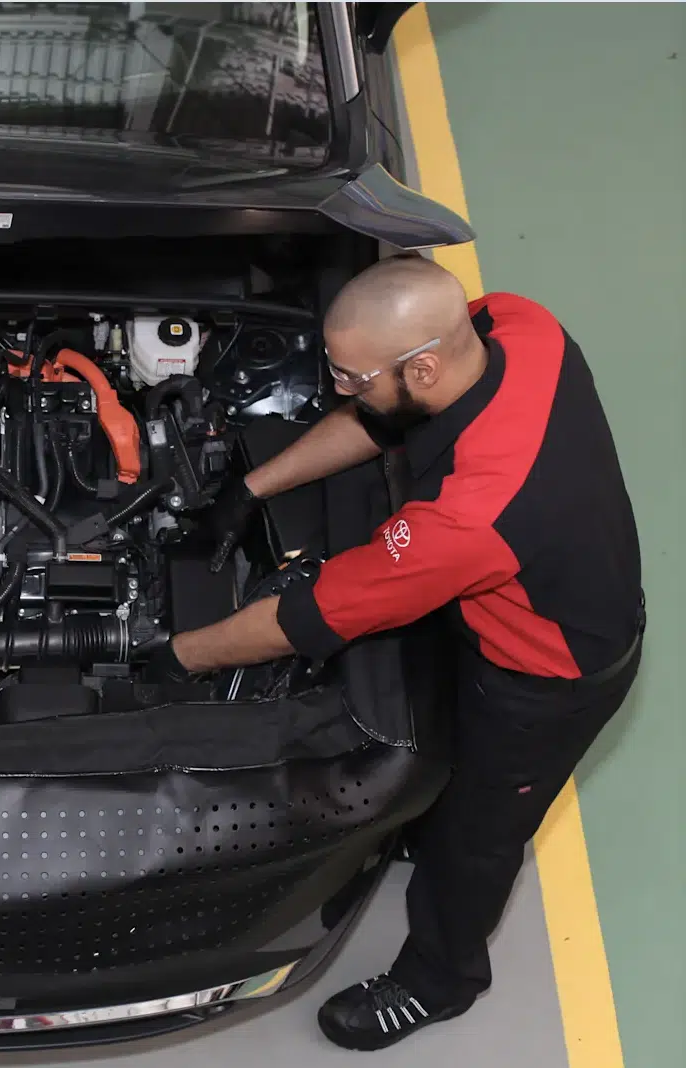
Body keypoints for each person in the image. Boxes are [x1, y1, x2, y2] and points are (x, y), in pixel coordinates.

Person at [145, 256, 644, 1051]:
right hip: (499, 596)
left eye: (350, 376)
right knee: (439, 741)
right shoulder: (521, 325)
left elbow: (300, 619)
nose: (339, 388)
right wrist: (254, 488)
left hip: (548, 676)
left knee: (476, 840)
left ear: (424, 366)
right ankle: (422, 821)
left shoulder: (470, 517)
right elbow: (382, 418)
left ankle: (440, 982)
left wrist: (176, 655)